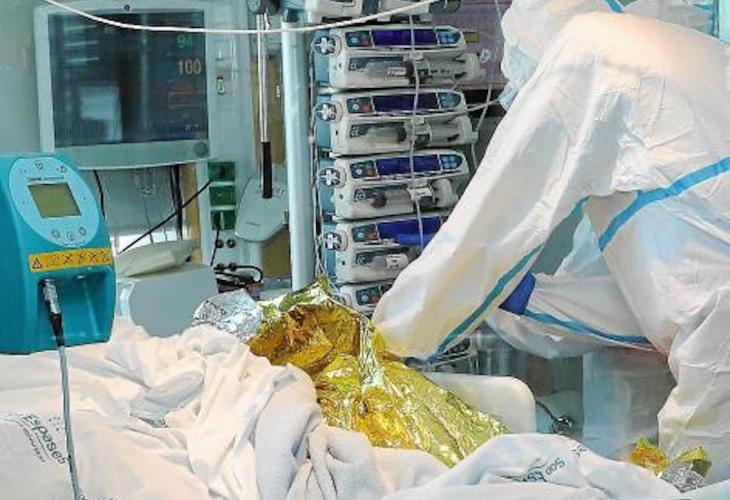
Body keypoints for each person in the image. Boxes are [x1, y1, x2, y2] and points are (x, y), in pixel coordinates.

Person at [373, 12, 730, 481]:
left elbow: (497, 212)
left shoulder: (590, 54)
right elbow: (639, 297)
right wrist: (525, 297)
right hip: (713, 337)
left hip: (718, 351)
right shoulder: (672, 101)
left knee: (696, 480)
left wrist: (389, 336)